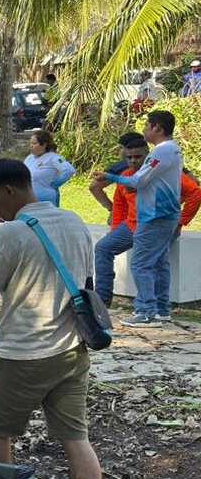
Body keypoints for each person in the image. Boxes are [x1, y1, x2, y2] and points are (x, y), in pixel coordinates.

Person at [0, 159, 105, 479]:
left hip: (22, 354)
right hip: (72, 350)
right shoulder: (74, 221)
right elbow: (87, 280)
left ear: (9, 190)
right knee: (77, 439)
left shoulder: (11, 232)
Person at [90, 135, 201, 307]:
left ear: (147, 155)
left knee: (153, 263)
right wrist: (115, 230)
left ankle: (153, 309)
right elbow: (119, 206)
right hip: (132, 226)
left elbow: (196, 191)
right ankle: (103, 300)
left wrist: (181, 221)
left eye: (138, 157)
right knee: (103, 248)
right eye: (129, 157)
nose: (133, 161)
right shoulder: (125, 175)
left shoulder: (163, 173)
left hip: (158, 225)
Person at [95, 110, 184, 326]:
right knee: (159, 263)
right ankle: (161, 309)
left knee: (141, 264)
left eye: (147, 125)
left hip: (154, 215)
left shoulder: (161, 152)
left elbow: (138, 181)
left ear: (158, 128)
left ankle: (146, 311)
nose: (144, 129)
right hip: (163, 215)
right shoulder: (172, 150)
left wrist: (110, 176)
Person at [24, 130, 76, 206]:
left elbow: (69, 170)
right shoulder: (29, 158)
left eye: (34, 143)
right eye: (31, 143)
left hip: (46, 200)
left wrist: (55, 184)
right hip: (28, 200)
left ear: (44, 144)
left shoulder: (53, 157)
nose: (31, 146)